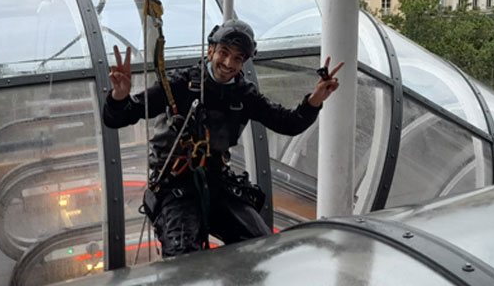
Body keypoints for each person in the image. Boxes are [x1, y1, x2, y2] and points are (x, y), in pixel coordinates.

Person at [103, 19, 342, 257]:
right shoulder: (180, 85)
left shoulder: (243, 94)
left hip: (216, 182)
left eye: (238, 58)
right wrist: (119, 96)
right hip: (175, 185)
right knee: (183, 258)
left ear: (244, 62)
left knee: (263, 248)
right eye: (224, 53)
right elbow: (122, 116)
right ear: (210, 51)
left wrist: (315, 100)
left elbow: (287, 122)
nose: (228, 63)